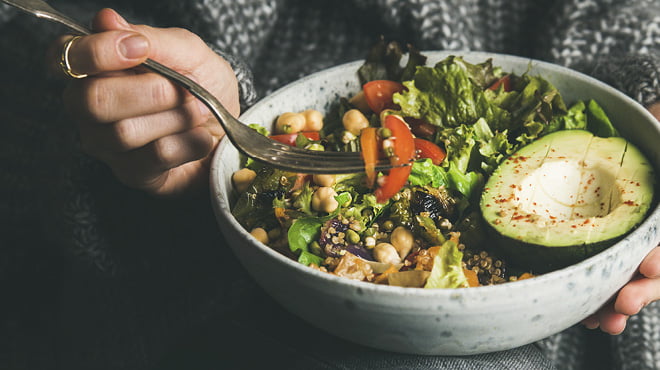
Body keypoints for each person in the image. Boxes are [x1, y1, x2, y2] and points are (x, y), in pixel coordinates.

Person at [0, 1, 659, 369]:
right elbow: (40, 48)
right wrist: (175, 114)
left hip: (602, 313)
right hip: (219, 285)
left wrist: (645, 108)